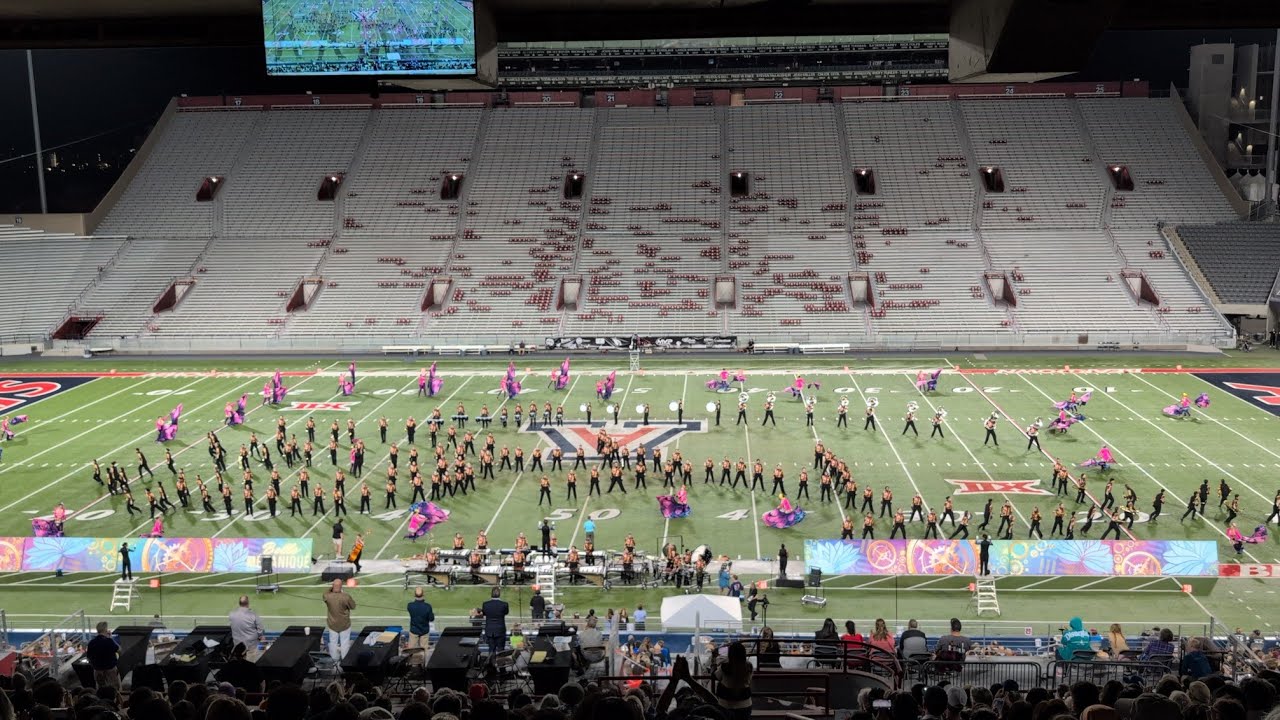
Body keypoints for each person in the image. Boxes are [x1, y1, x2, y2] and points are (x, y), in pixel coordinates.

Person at [711, 642, 753, 720]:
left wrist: (714, 659)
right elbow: (748, 681)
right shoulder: (749, 666)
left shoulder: (725, 667)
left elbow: (714, 676)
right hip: (745, 706)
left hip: (725, 706)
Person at [323, 578, 357, 661]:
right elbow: (353, 606)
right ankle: (344, 660)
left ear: (333, 586)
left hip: (332, 624)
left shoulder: (327, 596)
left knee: (333, 643)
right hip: (344, 624)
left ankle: (334, 660)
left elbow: (326, 593)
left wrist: (333, 588)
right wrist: (342, 592)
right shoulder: (346, 596)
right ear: (341, 586)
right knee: (345, 643)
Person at [86, 621, 121, 689]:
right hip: (110, 671)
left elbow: (88, 657)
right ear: (105, 630)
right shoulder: (109, 641)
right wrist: (110, 638)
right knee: (114, 690)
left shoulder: (91, 643)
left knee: (100, 690)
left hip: (98, 671)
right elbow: (119, 650)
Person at [228, 595, 265, 661]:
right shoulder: (253, 614)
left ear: (239, 603)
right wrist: (260, 636)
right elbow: (260, 629)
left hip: (237, 644)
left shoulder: (231, 614)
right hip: (251, 644)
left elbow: (232, 626)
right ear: (248, 603)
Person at [482, 587, 509, 659]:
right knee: (501, 650)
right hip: (500, 630)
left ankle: (491, 667)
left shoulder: (485, 604)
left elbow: (484, 613)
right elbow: (506, 612)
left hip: (490, 630)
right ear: (499, 594)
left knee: (491, 650)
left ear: (491, 594)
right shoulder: (504, 604)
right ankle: (502, 667)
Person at [407, 587, 434, 654]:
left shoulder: (410, 605)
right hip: (424, 630)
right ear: (423, 595)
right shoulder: (428, 606)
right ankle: (423, 663)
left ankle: (411, 663)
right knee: (424, 651)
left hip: (414, 630)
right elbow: (431, 619)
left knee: (411, 651)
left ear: (414, 595)